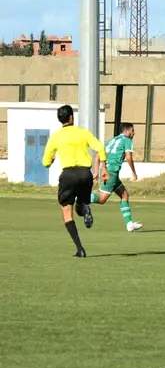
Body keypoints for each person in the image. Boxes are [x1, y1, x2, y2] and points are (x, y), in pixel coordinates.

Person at [41, 104, 108, 258]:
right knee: (81, 206)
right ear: (71, 117)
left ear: (60, 119)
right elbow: (99, 147)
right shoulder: (83, 133)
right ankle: (86, 210)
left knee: (67, 213)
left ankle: (80, 249)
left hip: (69, 175)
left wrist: (50, 160)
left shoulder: (56, 137)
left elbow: (45, 162)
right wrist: (103, 167)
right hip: (85, 174)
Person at [89, 122, 143, 232]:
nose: (134, 133)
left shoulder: (112, 140)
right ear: (127, 131)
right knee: (102, 199)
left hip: (109, 172)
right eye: (133, 130)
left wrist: (95, 172)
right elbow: (128, 157)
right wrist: (134, 172)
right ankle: (79, 197)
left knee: (125, 195)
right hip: (111, 172)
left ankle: (129, 224)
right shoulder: (127, 140)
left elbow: (97, 156)